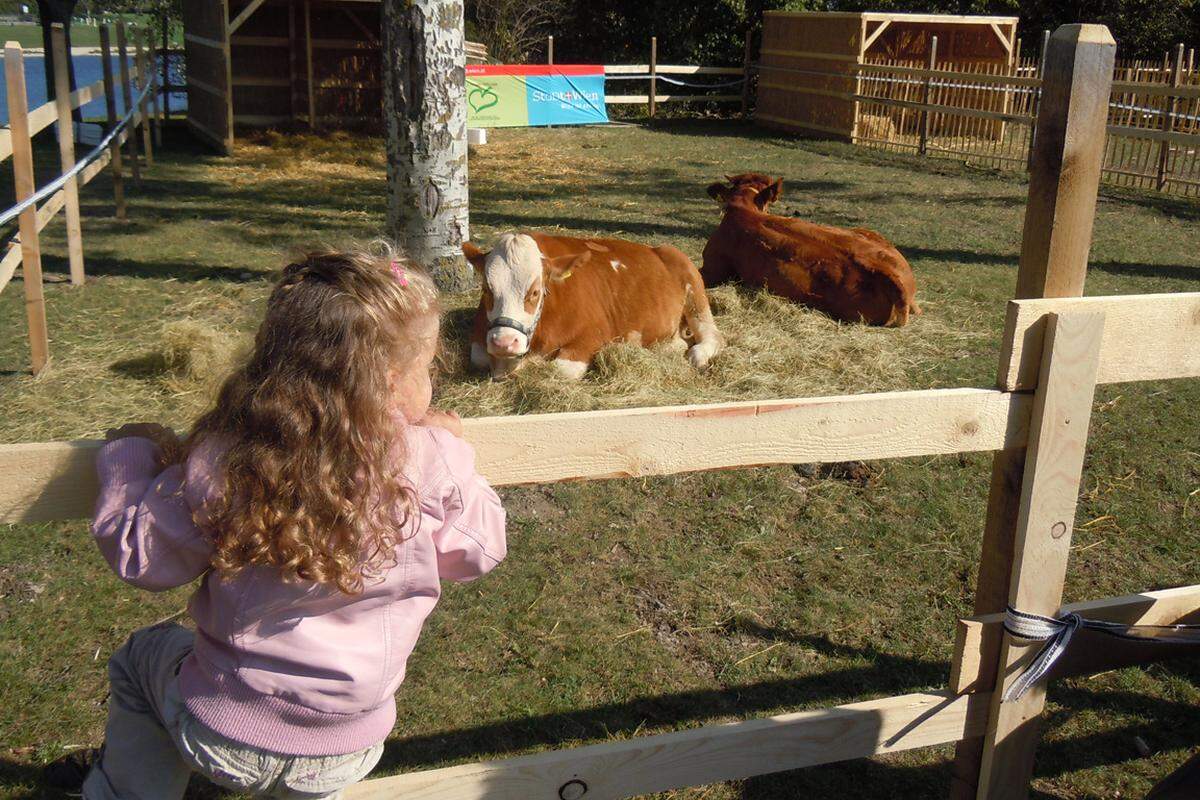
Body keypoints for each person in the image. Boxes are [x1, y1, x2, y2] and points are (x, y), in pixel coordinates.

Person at [58, 244, 507, 798]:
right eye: (428, 366)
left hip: (224, 732)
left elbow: (140, 557)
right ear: (392, 380)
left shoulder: (229, 457)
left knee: (139, 659)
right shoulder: (431, 459)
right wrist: (455, 452)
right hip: (347, 745)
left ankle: (121, 792)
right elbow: (479, 552)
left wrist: (128, 454)